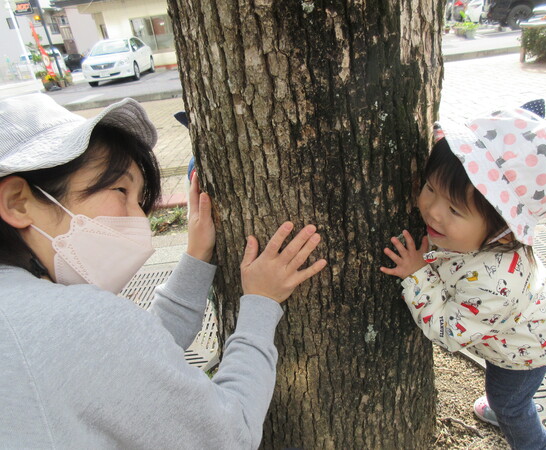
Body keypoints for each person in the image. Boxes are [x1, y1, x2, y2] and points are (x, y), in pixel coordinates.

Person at [0, 93, 327, 448]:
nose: (139, 219)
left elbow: (130, 355)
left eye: (140, 201)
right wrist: (261, 304)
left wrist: (197, 257)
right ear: (18, 202)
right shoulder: (76, 321)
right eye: (120, 189)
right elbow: (229, 434)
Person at [380, 103, 546, 449]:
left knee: (512, 403)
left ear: (503, 232)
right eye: (430, 188)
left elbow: (447, 331)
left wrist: (417, 276)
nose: (431, 210)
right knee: (508, 390)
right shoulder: (477, 243)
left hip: (527, 348)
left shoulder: (493, 285)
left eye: (454, 209)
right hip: (529, 318)